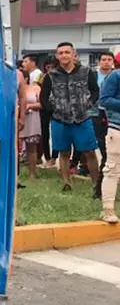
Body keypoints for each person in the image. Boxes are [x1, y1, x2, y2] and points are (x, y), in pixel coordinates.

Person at [39, 42, 101, 193]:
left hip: (82, 118)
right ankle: (66, 183)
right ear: (57, 56)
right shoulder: (50, 76)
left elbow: (95, 90)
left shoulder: (86, 72)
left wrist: (88, 104)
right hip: (60, 120)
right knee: (64, 152)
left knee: (90, 152)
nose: (64, 55)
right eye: (61, 53)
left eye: (67, 52)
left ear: (74, 54)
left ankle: (96, 184)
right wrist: (53, 109)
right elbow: (43, 97)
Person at [97, 59, 120, 222]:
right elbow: (104, 100)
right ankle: (108, 210)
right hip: (117, 128)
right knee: (112, 170)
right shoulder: (115, 76)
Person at [18, 65, 43, 179]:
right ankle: (16, 172)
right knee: (16, 147)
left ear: (26, 79)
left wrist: (29, 106)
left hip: (32, 119)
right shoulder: (13, 88)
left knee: (31, 147)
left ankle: (32, 173)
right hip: (17, 119)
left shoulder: (35, 88)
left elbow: (43, 104)